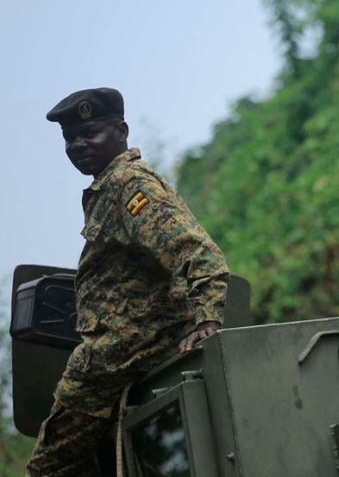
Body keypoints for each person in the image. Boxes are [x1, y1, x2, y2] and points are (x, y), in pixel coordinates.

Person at [28, 87, 230, 476]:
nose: (78, 145)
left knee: (48, 467)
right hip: (122, 353)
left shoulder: (128, 185)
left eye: (90, 134)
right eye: (71, 139)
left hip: (122, 352)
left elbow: (198, 251)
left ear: (121, 131)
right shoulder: (108, 188)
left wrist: (207, 318)